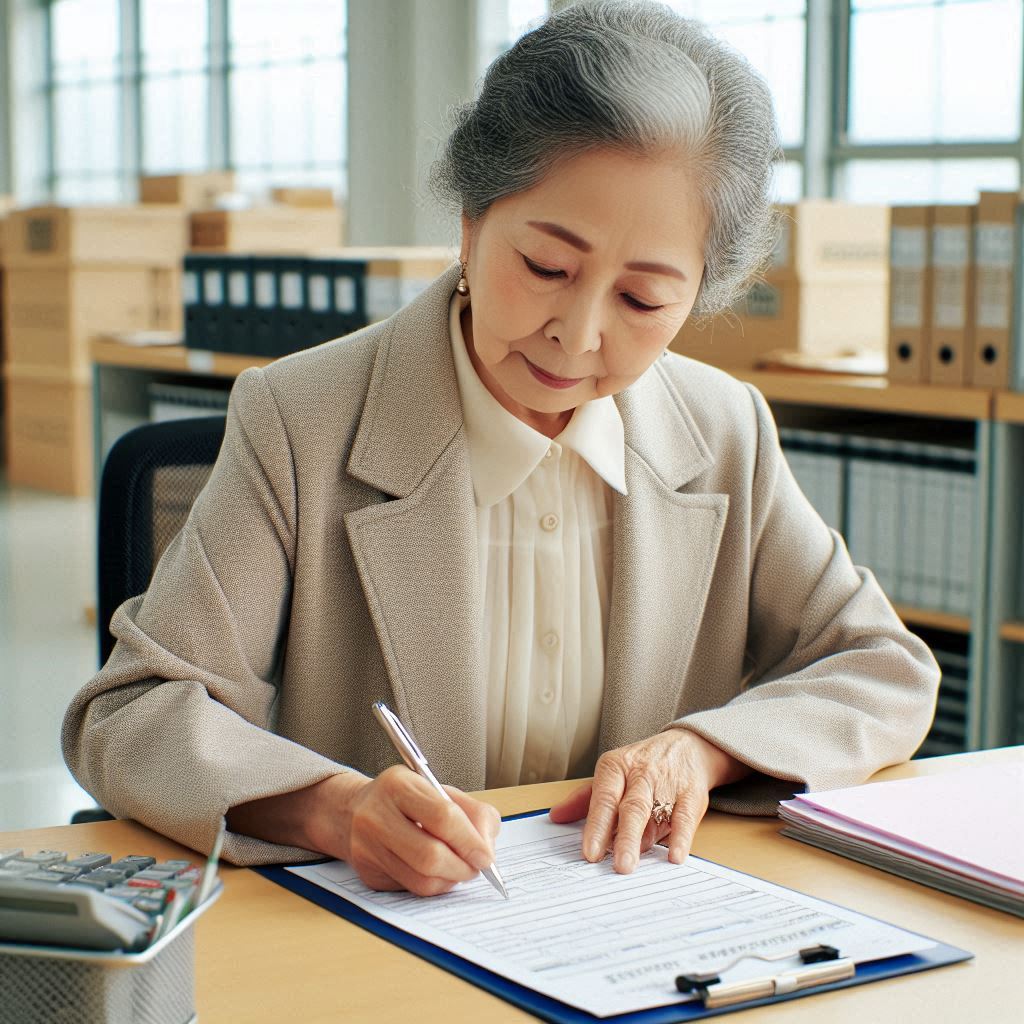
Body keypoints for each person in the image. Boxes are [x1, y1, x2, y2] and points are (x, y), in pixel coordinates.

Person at [63, 1, 939, 897]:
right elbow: (135, 714)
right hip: (376, 936)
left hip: (630, 937)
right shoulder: (301, 417)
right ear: (473, 222)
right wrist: (333, 808)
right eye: (548, 269)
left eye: (642, 300)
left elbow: (881, 667)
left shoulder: (724, 430)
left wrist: (703, 749)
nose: (578, 334)